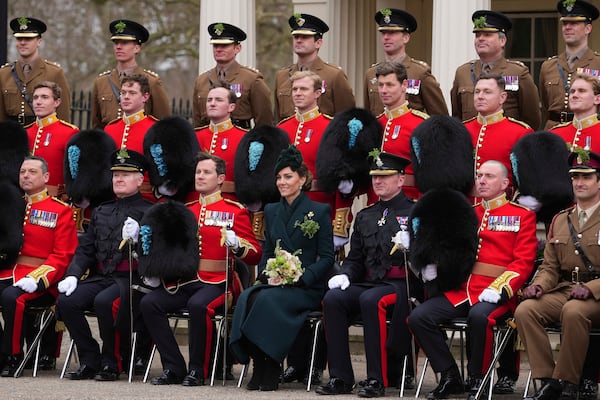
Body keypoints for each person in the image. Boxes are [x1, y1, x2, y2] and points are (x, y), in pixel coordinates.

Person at [408, 160, 537, 400]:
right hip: (462, 289)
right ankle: (449, 376)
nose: (482, 180)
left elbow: (523, 262)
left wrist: (501, 288)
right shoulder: (466, 212)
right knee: (419, 317)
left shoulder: (521, 216)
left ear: (505, 184)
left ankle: (478, 377)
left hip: (497, 292)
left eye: (489, 176)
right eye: (479, 175)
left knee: (479, 317)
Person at [141, 152, 261, 386]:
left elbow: (256, 254)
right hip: (184, 281)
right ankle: (174, 366)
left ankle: (198, 370)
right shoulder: (187, 209)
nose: (200, 176)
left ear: (220, 179)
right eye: (198, 172)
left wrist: (238, 245)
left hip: (218, 282)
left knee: (199, 306)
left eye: (206, 172)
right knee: (149, 303)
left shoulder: (235, 211)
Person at [316, 152, 421, 397]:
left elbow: (428, 260)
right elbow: (355, 259)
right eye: (375, 177)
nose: (378, 181)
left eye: (385, 176)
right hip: (371, 281)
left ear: (400, 180)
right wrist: (345, 275)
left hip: (402, 284)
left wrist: (414, 248)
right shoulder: (366, 214)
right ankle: (340, 377)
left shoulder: (416, 212)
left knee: (371, 300)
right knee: (333, 299)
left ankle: (377, 379)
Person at [230, 146, 334, 392]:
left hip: (305, 286)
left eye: (287, 176)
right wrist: (268, 272)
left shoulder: (319, 211)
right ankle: (259, 362)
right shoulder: (272, 209)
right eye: (278, 177)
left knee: (265, 300)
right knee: (248, 296)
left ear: (303, 179)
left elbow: (327, 257)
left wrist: (303, 277)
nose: (281, 182)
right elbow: (267, 251)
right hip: (277, 282)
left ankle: (272, 363)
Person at [57, 149, 152, 381]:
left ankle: (113, 361)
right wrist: (73, 274)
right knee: (67, 301)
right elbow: (86, 249)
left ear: (140, 180)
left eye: (125, 175)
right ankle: (91, 359)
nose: (118, 179)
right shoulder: (101, 210)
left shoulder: (150, 212)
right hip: (102, 277)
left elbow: (156, 253)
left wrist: (139, 238)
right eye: (115, 174)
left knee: (104, 302)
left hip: (132, 279)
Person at [516, 150, 600, 400]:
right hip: (567, 290)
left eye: (586, 177)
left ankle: (567, 382)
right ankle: (548, 379)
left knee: (574, 311)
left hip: (595, 295)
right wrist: (539, 286)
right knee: (526, 310)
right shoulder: (561, 220)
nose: (579, 183)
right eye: (575, 177)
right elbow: (550, 267)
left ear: (599, 181)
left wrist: (592, 288)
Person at [0, 156, 77, 376]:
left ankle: (13, 356)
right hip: (9, 272)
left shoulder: (59, 210)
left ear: (46, 177)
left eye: (32, 172)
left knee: (11, 298)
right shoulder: (11, 205)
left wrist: (38, 278)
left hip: (43, 281)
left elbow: (63, 255)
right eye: (23, 171)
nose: (25, 175)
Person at [277, 70, 353, 247]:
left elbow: (344, 183)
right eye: (295, 89)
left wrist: (340, 225)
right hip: (285, 213)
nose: (297, 93)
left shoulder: (332, 128)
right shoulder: (282, 128)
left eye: (303, 89)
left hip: (319, 208)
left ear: (318, 93)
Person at [451, 10, 541, 130]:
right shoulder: (463, 72)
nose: (481, 39)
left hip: (506, 142)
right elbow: (457, 115)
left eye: (487, 35)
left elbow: (532, 117)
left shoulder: (517, 72)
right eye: (478, 35)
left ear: (502, 40)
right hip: (470, 142)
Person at [364, 8, 447, 117]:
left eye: (392, 33)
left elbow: (440, 117)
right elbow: (367, 115)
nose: (386, 37)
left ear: (406, 38)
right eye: (383, 33)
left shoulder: (420, 73)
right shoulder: (371, 73)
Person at [274, 13, 355, 122]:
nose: (298, 40)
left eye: (305, 37)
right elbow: (277, 119)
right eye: (296, 36)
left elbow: (347, 117)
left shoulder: (334, 75)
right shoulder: (282, 76)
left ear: (318, 43)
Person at [463, 73, 533, 200]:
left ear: (502, 98)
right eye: (477, 92)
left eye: (487, 92)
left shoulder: (520, 132)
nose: (480, 96)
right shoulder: (461, 130)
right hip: (465, 208)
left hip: (501, 209)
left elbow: (527, 182)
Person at [91, 19, 170, 128]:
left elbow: (163, 123)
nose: (118, 47)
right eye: (116, 42)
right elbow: (96, 124)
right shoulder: (101, 82)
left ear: (137, 48)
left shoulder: (151, 81)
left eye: (124, 43)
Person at [193, 22, 272, 129]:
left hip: (240, 138)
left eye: (224, 45)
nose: (219, 49)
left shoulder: (251, 79)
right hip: (208, 140)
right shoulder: (201, 81)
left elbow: (264, 120)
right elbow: (197, 122)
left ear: (237, 48)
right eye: (215, 45)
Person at [540, 0, 600, 129]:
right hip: (553, 131)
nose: (567, 27)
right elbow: (545, 107)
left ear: (588, 28)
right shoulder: (548, 65)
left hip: (588, 129)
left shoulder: (598, 63)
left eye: (574, 23)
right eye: (565, 23)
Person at [374, 61, 428, 202]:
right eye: (381, 85)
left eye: (390, 85)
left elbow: (429, 173)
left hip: (408, 201)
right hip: (376, 203)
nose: (384, 90)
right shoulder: (375, 123)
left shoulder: (420, 123)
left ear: (404, 85)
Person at [0, 17, 71, 124]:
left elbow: (63, 114)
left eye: (28, 39)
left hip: (42, 133)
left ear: (39, 42)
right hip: (12, 135)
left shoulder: (54, 72)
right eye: (19, 39)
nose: (23, 43)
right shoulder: (4, 73)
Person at [103, 74, 157, 201]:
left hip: (145, 199)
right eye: (123, 93)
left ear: (145, 97)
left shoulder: (155, 129)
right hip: (113, 199)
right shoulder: (110, 129)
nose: (126, 97)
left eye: (132, 93)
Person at [26, 81, 79, 198]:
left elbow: (75, 173)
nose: (38, 102)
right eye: (35, 98)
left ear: (57, 102)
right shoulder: (26, 132)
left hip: (55, 200)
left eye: (44, 97)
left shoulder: (69, 132)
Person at [195, 83, 248, 200]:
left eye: (218, 100)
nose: (212, 103)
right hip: (197, 202)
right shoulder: (195, 136)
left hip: (229, 201)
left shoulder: (244, 138)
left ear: (231, 107)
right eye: (209, 100)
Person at [551, 73, 600, 152]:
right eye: (572, 91)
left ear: (597, 99)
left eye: (582, 91)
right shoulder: (555, 134)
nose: (574, 95)